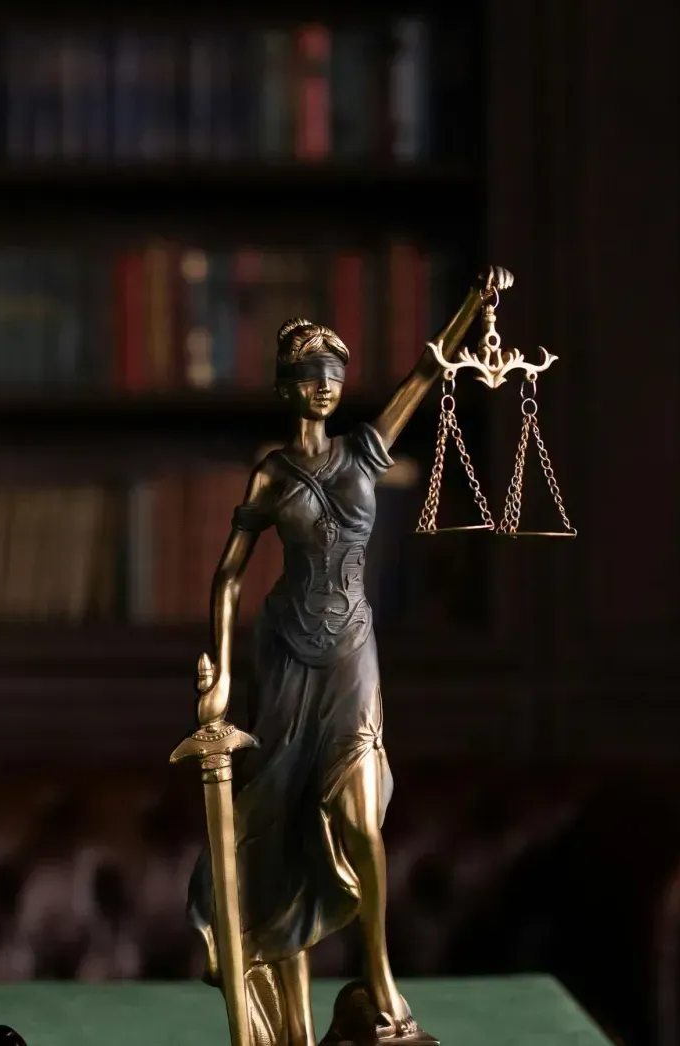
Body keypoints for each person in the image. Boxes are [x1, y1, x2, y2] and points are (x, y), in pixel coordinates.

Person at [187, 266, 515, 1045]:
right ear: (286, 386)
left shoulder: (365, 451)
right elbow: (229, 576)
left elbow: (428, 370)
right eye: (311, 374)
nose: (326, 385)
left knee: (362, 819)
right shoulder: (272, 473)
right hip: (285, 656)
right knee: (279, 817)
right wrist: (221, 673)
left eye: (335, 374)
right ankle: (281, 986)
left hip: (351, 653)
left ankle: (379, 970)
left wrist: (477, 303)